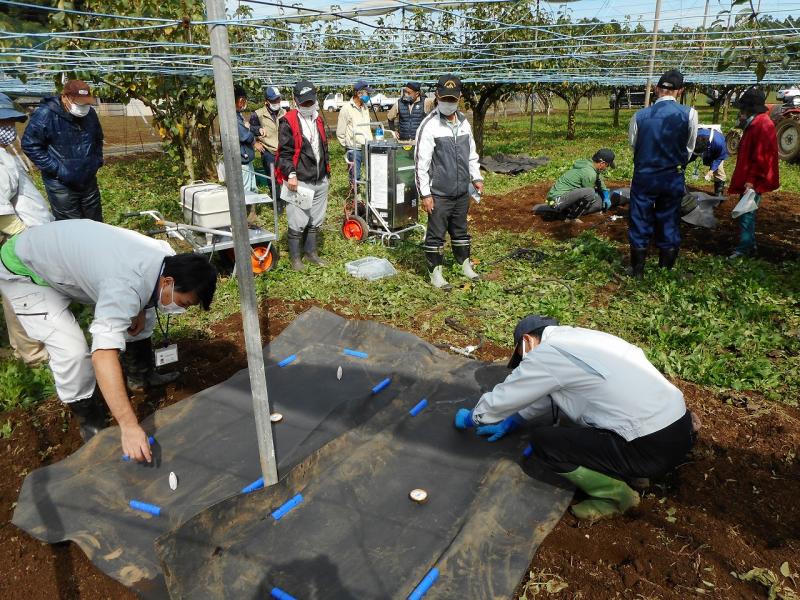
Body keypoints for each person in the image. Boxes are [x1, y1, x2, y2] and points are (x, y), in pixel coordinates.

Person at [0, 219, 218, 461]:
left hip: (63, 258)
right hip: (24, 270)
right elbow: (103, 355)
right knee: (72, 351)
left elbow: (141, 286)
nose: (182, 309)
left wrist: (139, 308)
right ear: (168, 282)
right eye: (184, 302)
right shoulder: (124, 286)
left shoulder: (165, 257)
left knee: (142, 314)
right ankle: (91, 422)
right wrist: (129, 426)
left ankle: (140, 375)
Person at [454, 315, 696, 521]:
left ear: (527, 340)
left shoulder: (548, 354)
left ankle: (616, 497)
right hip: (680, 430)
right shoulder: (583, 340)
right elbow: (548, 393)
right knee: (586, 420)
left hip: (650, 448)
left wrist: (474, 417)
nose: (523, 364)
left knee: (545, 442)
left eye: (520, 356)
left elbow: (509, 394)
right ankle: (636, 474)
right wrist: (515, 419)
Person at [415, 74, 483, 290]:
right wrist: (425, 194)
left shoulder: (464, 123)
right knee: (436, 234)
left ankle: (464, 264)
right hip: (439, 193)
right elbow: (421, 164)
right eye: (445, 99)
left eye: (452, 100)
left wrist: (477, 177)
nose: (448, 103)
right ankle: (436, 272)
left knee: (460, 229)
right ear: (437, 96)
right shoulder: (429, 126)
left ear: (459, 98)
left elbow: (471, 154)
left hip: (462, 190)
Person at [627, 69, 698, 277]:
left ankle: (637, 269)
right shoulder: (689, 114)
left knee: (640, 218)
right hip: (671, 176)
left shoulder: (639, 115)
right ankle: (665, 270)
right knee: (669, 217)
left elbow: (634, 145)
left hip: (644, 176)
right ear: (680, 91)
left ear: (657, 89)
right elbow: (689, 147)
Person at [0, 93, 53, 366]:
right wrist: (25, 236)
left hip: (27, 238)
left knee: (24, 293)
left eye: (10, 121)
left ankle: (29, 347)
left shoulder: (4, 154)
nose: (9, 127)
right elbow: (1, 213)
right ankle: (32, 354)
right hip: (20, 241)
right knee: (19, 295)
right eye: (4, 121)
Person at [21, 80, 104, 222]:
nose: (83, 107)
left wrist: (96, 162)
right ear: (65, 97)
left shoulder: (90, 114)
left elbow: (98, 138)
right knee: (70, 226)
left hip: (88, 179)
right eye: (79, 103)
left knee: (95, 222)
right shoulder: (45, 114)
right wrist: (58, 169)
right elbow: (30, 145)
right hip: (61, 184)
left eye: (87, 103)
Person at [276, 80, 331, 271]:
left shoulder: (319, 119)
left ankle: (311, 252)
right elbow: (284, 153)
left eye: (310, 102)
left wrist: (326, 173)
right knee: (297, 219)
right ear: (295, 101)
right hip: (300, 180)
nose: (308, 106)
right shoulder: (288, 121)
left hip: (320, 178)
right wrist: (290, 174)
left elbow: (322, 147)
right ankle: (296, 259)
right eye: (304, 103)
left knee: (315, 218)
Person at [727, 87, 779, 259]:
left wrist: (750, 181)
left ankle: (744, 249)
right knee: (747, 212)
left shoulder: (762, 125)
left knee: (746, 213)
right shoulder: (756, 123)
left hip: (754, 179)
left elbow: (761, 156)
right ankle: (750, 245)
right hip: (751, 176)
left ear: (749, 108)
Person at [544, 149, 615, 219]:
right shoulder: (589, 173)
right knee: (590, 192)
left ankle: (565, 210)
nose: (606, 168)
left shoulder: (589, 164)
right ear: (602, 163)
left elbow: (598, 179)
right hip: (555, 202)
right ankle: (571, 217)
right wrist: (598, 201)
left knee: (591, 192)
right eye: (607, 165)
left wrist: (605, 194)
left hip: (553, 199)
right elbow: (590, 194)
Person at [336, 80, 374, 194]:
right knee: (355, 176)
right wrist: (348, 146)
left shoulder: (365, 107)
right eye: (367, 93)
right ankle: (356, 200)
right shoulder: (346, 109)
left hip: (367, 147)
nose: (369, 96)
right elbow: (340, 132)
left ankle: (369, 197)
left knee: (370, 173)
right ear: (359, 93)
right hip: (354, 148)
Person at [250, 86, 285, 190]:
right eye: (274, 100)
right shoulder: (258, 114)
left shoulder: (283, 112)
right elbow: (250, 130)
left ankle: (287, 201)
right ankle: (277, 203)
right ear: (266, 101)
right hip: (268, 151)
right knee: (273, 178)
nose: (277, 102)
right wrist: (255, 143)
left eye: (278, 99)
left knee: (286, 176)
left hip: (283, 150)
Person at [689, 127, 728, 197]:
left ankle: (718, 193)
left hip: (716, 150)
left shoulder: (719, 143)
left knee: (719, 170)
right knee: (685, 161)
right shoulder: (692, 137)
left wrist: (711, 171)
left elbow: (719, 158)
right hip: (696, 145)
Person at [234, 85, 258, 193]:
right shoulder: (234, 118)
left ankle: (252, 209)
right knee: (246, 191)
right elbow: (246, 137)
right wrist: (249, 130)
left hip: (247, 159)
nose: (243, 103)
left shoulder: (238, 115)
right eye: (242, 100)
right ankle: (246, 210)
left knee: (252, 188)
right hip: (242, 160)